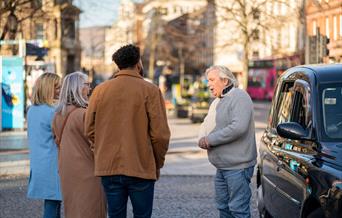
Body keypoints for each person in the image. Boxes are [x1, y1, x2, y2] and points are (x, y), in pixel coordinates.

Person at [85, 44, 170, 218]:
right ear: (138, 63)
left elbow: (89, 129)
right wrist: (157, 162)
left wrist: (101, 149)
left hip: (109, 166)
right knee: (142, 215)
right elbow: (160, 135)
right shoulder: (150, 90)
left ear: (118, 65)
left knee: (115, 215)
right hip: (141, 165)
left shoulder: (100, 90)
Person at [198, 66, 257, 218]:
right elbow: (205, 123)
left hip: (238, 167)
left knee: (238, 210)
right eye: (208, 80)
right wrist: (201, 138)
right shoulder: (217, 101)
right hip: (222, 166)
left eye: (212, 80)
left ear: (224, 81)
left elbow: (238, 128)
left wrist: (210, 140)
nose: (208, 84)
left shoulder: (239, 96)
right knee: (223, 208)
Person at [52, 72, 107, 218]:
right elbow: (98, 143)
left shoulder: (58, 114)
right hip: (88, 170)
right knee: (92, 209)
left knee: (73, 210)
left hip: (67, 170)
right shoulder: (84, 114)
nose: (89, 88)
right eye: (86, 85)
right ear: (77, 88)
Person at [27, 73, 62, 218]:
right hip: (52, 164)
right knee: (53, 205)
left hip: (39, 163)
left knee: (53, 203)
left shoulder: (31, 110)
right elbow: (61, 138)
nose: (60, 90)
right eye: (57, 87)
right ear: (48, 89)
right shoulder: (52, 112)